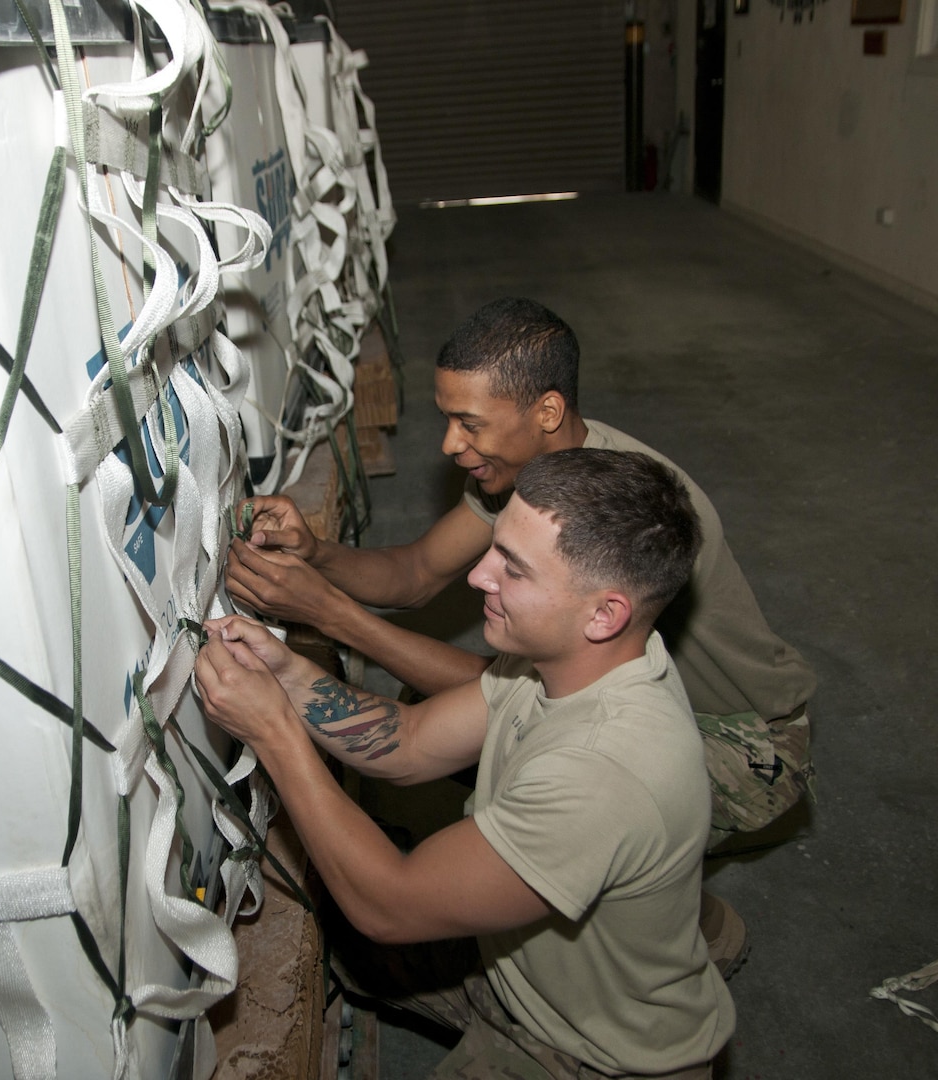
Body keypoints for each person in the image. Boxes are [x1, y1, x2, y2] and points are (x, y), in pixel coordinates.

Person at [197, 449, 734, 1079]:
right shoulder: (572, 658)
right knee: (346, 940)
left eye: (515, 569)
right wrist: (287, 674)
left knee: (366, 906)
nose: (479, 576)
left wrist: (274, 732)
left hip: (590, 1055)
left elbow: (389, 905)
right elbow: (410, 739)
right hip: (518, 966)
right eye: (495, 548)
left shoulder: (602, 772)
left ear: (604, 613)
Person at [225, 297, 816, 852]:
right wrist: (316, 552)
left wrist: (328, 612)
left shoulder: (609, 521)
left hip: (744, 742)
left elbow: (515, 695)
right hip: (641, 698)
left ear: (548, 411)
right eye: (448, 419)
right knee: (430, 704)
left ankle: (692, 925)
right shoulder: (529, 475)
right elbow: (417, 572)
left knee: (521, 783)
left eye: (470, 423)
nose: (451, 444)